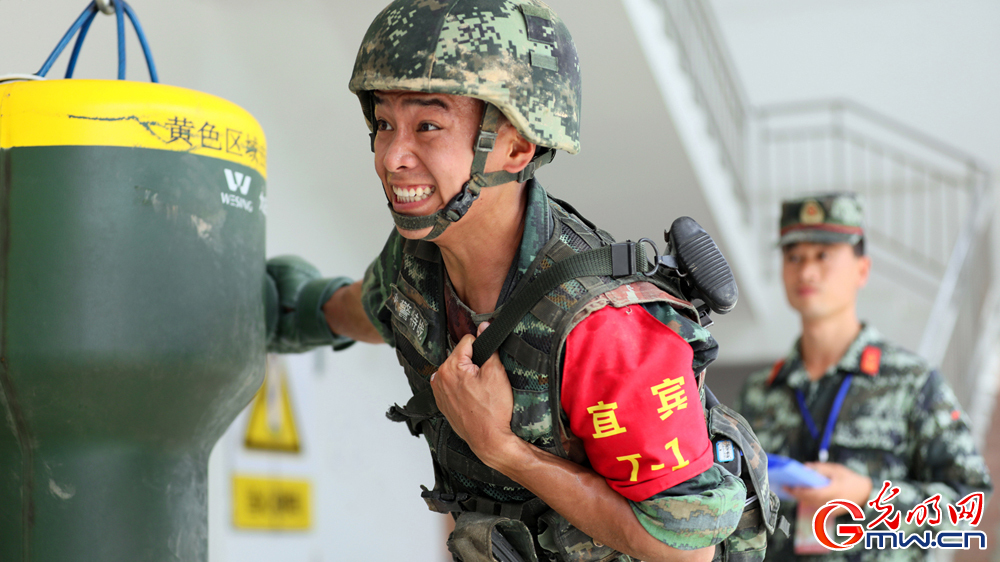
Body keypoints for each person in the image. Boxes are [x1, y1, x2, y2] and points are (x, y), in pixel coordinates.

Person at [265, 1, 772, 560]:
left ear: (517, 146)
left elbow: (685, 551)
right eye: (385, 123)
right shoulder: (418, 256)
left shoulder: (606, 328)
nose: (392, 156)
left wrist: (501, 448)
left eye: (428, 126)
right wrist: (284, 310)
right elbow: (373, 308)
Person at [734, 193, 992, 560]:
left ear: (862, 269)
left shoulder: (911, 382)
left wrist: (867, 495)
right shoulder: (759, 391)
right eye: (794, 257)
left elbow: (970, 501)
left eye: (823, 256)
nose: (806, 271)